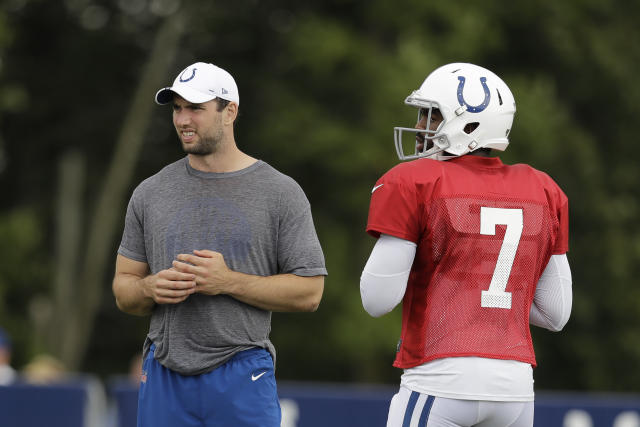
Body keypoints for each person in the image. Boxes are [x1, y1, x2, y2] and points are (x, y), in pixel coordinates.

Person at [112, 61, 327, 427]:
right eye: (177, 108)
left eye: (195, 108)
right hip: (164, 371)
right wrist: (149, 287)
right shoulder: (150, 192)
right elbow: (123, 290)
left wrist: (228, 281)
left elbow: (310, 293)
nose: (182, 119)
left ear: (230, 111)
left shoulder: (280, 193)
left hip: (242, 369)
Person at [360, 63, 571, 427]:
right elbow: (556, 313)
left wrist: (447, 286)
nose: (422, 127)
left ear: (468, 125)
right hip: (516, 388)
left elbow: (376, 300)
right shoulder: (542, 189)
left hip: (440, 378)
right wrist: (487, 295)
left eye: (431, 116)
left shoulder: (416, 182)